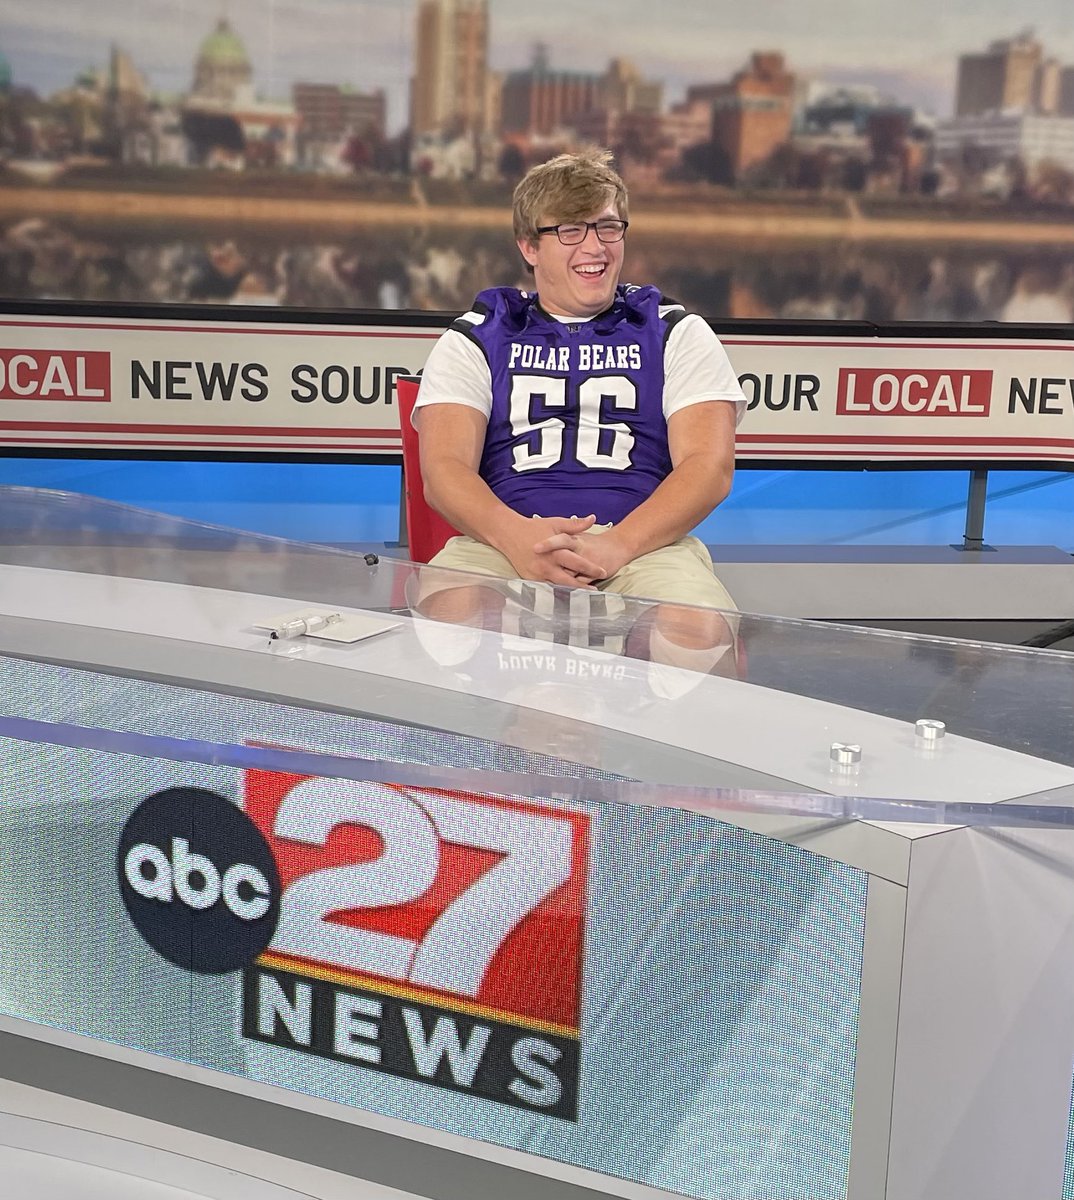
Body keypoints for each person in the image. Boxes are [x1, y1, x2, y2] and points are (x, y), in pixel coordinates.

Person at [412, 147, 745, 665]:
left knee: (700, 637)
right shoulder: (477, 335)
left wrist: (618, 545)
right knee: (449, 623)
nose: (595, 247)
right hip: (502, 541)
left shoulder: (675, 331)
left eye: (608, 227)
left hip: (645, 545)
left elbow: (710, 467)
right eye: (570, 230)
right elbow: (443, 470)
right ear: (529, 246)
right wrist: (516, 539)